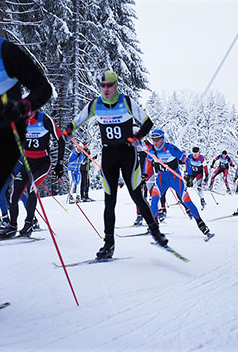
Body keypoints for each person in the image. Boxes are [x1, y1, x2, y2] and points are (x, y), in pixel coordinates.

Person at [65, 70, 168, 259]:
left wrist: (136, 137)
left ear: (116, 85)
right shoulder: (96, 104)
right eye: (103, 85)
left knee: (137, 195)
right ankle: (108, 244)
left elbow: (147, 123)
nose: (105, 89)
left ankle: (155, 231)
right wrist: (69, 129)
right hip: (109, 156)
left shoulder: (126, 102)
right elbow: (76, 121)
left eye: (109, 85)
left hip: (128, 154)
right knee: (109, 200)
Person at [0, 35, 52, 298]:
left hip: (5, 137)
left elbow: (43, 88)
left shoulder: (3, 51)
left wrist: (23, 106)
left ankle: (25, 221)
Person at [0, 110, 65, 238]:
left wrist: (59, 164)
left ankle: (29, 223)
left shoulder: (44, 119)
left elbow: (61, 139)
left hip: (42, 164)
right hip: (26, 163)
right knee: (14, 192)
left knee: (32, 187)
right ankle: (12, 225)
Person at [143, 129, 212, 238]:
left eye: (157, 140)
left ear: (162, 139)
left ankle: (201, 225)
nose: (155, 142)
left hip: (176, 180)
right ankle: (153, 227)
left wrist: (189, 176)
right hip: (161, 180)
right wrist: (144, 175)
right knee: (154, 200)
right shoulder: (152, 150)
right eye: (153, 140)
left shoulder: (171, 149)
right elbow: (147, 161)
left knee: (187, 202)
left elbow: (186, 160)